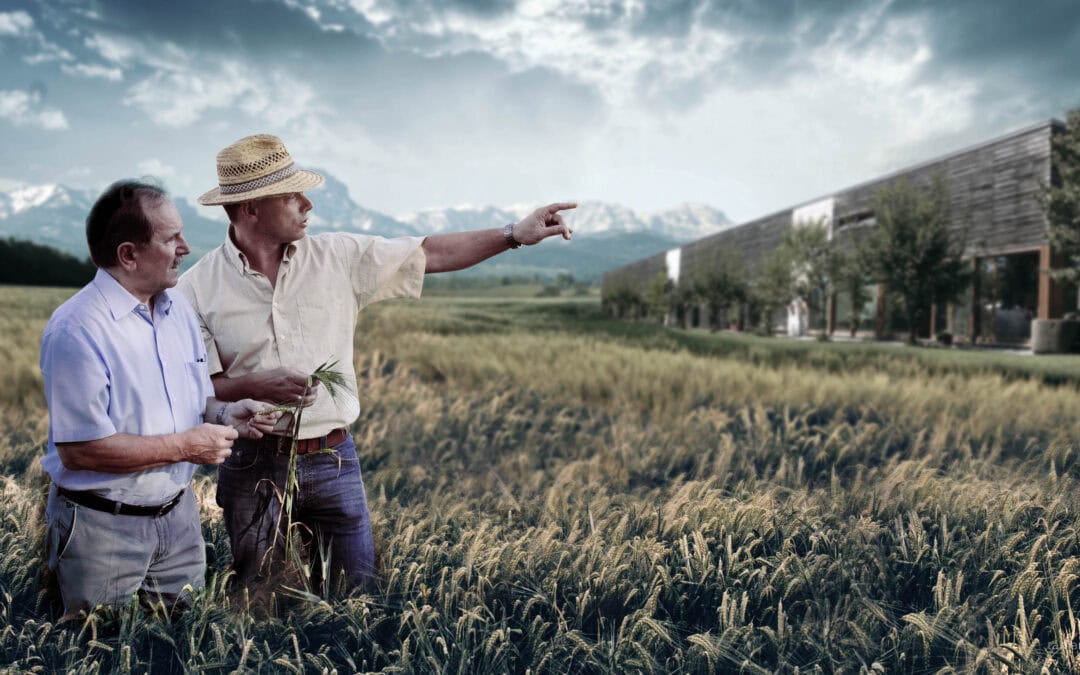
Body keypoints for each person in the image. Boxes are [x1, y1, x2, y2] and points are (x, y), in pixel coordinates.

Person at [177, 134, 574, 593]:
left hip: (333, 458)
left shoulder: (339, 257)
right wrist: (256, 385)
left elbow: (431, 253)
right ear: (250, 208)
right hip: (253, 466)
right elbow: (199, 388)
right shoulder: (195, 289)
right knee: (263, 600)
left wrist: (513, 236)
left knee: (357, 599)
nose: (307, 205)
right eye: (291, 196)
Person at [40, 180, 281, 617]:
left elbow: (194, 403)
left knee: (179, 647)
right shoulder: (77, 330)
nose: (186, 247)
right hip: (101, 529)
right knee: (102, 653)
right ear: (128, 254)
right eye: (171, 238)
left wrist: (228, 416)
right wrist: (189, 446)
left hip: (178, 520)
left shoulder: (178, 312)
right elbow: (79, 450)